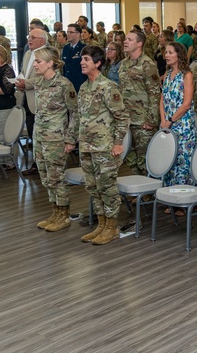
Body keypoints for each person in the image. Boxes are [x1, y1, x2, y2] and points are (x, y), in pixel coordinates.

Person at [66, 46, 129, 245]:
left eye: (86, 59)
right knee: (93, 187)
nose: (82, 63)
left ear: (98, 63)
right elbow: (78, 116)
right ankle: (101, 224)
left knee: (107, 187)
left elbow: (122, 117)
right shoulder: (84, 87)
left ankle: (112, 227)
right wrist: (71, 139)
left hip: (104, 147)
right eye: (82, 59)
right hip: (86, 147)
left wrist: (118, 143)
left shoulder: (108, 87)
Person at [31, 47, 78, 232]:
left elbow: (74, 113)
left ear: (50, 63)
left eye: (38, 61)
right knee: (45, 176)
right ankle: (55, 211)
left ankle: (64, 214)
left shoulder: (64, 84)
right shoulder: (39, 83)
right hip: (40, 136)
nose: (35, 65)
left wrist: (70, 139)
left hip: (56, 139)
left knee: (57, 177)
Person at [119, 31, 161, 176]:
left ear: (139, 43)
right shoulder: (123, 63)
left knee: (144, 158)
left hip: (143, 120)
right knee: (129, 157)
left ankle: (148, 192)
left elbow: (155, 93)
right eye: (125, 39)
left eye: (129, 40)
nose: (125, 42)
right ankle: (140, 190)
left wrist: (151, 119)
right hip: (126, 119)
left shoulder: (147, 64)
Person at [159, 42, 197, 187]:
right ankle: (170, 194)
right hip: (167, 123)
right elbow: (162, 99)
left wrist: (170, 120)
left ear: (179, 54)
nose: (166, 55)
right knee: (169, 158)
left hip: (182, 124)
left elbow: (187, 103)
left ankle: (183, 198)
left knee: (182, 159)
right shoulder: (167, 74)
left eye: (170, 52)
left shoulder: (187, 75)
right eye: (166, 52)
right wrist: (163, 120)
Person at [15, 28, 48, 176]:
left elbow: (46, 77)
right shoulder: (28, 53)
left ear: (42, 40)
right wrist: (19, 80)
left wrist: (26, 83)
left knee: (42, 134)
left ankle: (43, 164)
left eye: (33, 37)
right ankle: (36, 162)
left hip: (41, 99)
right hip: (27, 98)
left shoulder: (48, 54)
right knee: (31, 131)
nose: (30, 39)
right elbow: (24, 71)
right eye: (29, 37)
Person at [60, 23, 86, 92]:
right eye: (67, 32)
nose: (68, 34)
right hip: (67, 83)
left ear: (78, 34)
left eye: (71, 32)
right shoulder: (65, 48)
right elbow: (64, 66)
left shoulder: (83, 48)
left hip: (79, 84)